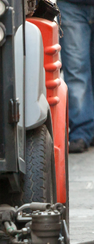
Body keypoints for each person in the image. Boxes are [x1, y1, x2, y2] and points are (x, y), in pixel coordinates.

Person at [59, 0, 94, 153]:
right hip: (71, 4)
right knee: (76, 70)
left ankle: (84, 131)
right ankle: (81, 132)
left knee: (77, 71)